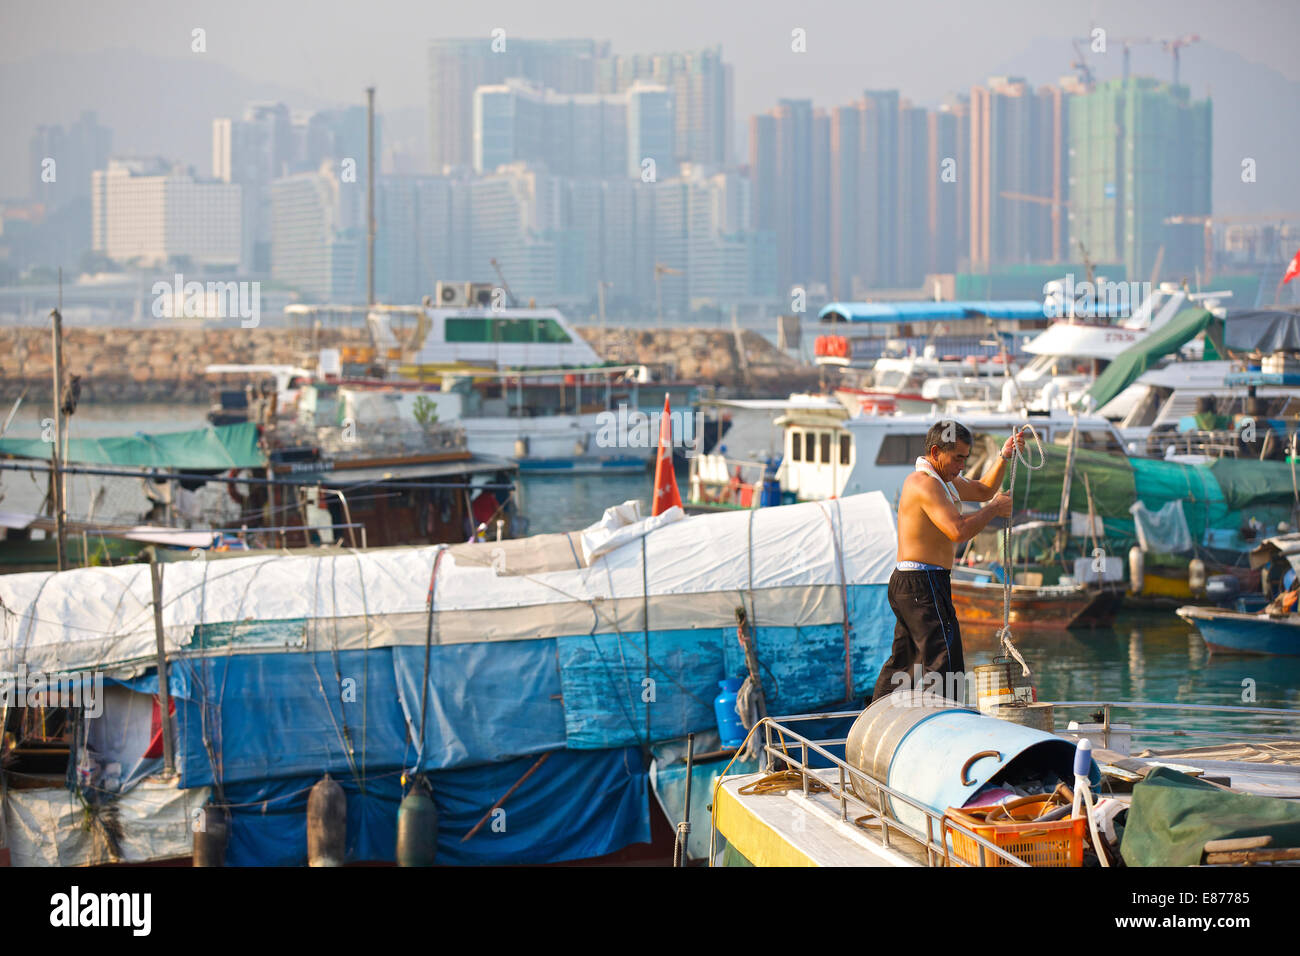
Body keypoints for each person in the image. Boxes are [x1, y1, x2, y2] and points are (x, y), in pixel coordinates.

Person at [870, 420, 1025, 704]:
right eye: (957, 458)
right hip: (921, 583)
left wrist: (1004, 456)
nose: (962, 466)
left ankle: (876, 714)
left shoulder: (944, 482)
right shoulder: (925, 484)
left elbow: (983, 490)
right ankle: (946, 721)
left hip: (919, 583)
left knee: (906, 660)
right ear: (935, 452)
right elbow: (958, 530)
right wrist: (993, 510)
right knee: (945, 658)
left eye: (965, 458)